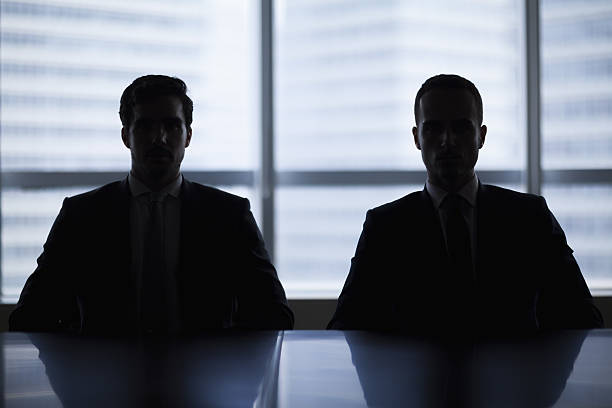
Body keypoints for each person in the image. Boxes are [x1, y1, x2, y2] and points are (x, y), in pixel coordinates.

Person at [10, 75, 293, 334]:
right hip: (105, 385)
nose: (159, 138)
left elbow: (274, 313)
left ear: (188, 136)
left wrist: (221, 365)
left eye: (172, 125)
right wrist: (81, 364)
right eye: (145, 126)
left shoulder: (229, 216)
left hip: (205, 384)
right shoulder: (82, 216)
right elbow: (31, 315)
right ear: (126, 136)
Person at [328, 74, 603, 331]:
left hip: (514, 382)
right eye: (434, 128)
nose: (447, 141)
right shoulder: (385, 228)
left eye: (461, 127)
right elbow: (346, 327)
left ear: (481, 136)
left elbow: (580, 317)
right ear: (417, 138)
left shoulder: (530, 218)